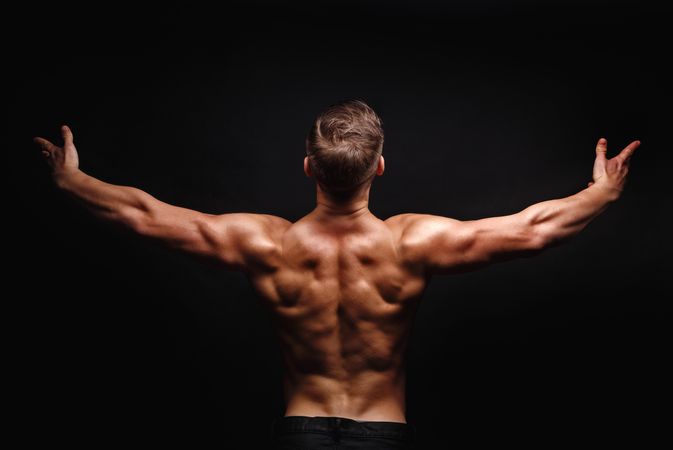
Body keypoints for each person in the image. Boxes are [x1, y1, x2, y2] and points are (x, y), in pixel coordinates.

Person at [34, 99, 640, 449]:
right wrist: (603, 193)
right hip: (383, 433)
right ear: (380, 165)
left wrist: (71, 181)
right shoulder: (412, 242)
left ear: (307, 167)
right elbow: (534, 229)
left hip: (300, 430)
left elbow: (144, 216)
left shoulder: (267, 243)